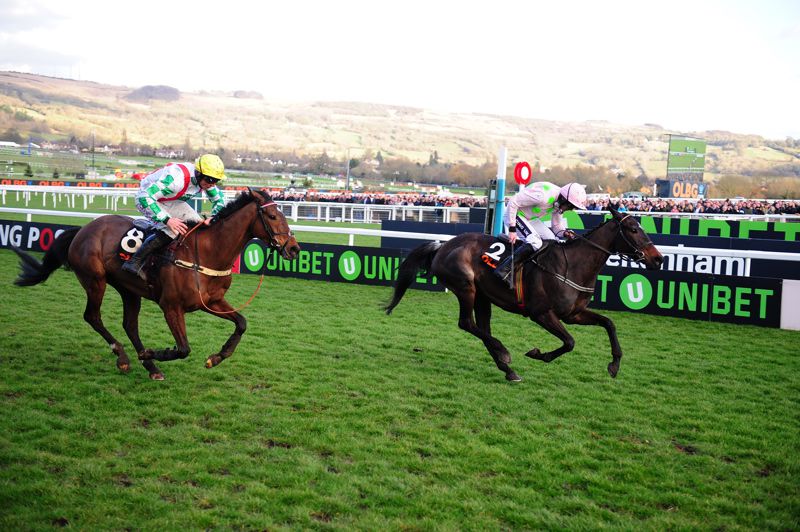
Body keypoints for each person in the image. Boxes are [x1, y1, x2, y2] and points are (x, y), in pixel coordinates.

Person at [122, 154, 228, 279]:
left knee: (198, 224)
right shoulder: (177, 180)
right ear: (199, 174)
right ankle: (135, 262)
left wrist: (214, 217)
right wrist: (168, 220)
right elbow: (145, 197)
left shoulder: (205, 181)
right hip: (147, 198)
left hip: (169, 200)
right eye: (210, 180)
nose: (212, 184)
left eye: (216, 180)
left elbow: (220, 200)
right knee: (173, 229)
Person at [494, 181, 587, 288]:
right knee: (535, 242)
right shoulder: (543, 196)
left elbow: (556, 226)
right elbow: (513, 201)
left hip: (530, 218)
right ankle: (505, 269)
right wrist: (512, 229)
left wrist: (565, 233)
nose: (570, 209)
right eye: (570, 206)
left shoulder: (559, 203)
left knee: (553, 241)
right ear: (563, 199)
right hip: (515, 215)